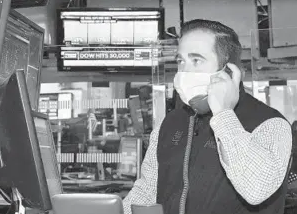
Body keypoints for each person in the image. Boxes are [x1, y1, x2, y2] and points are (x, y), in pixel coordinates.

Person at [123, 19, 292, 214]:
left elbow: (256, 189)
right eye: (181, 61)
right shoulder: (169, 123)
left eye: (196, 60)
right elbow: (146, 192)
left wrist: (223, 114)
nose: (184, 71)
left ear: (228, 71)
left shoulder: (271, 124)